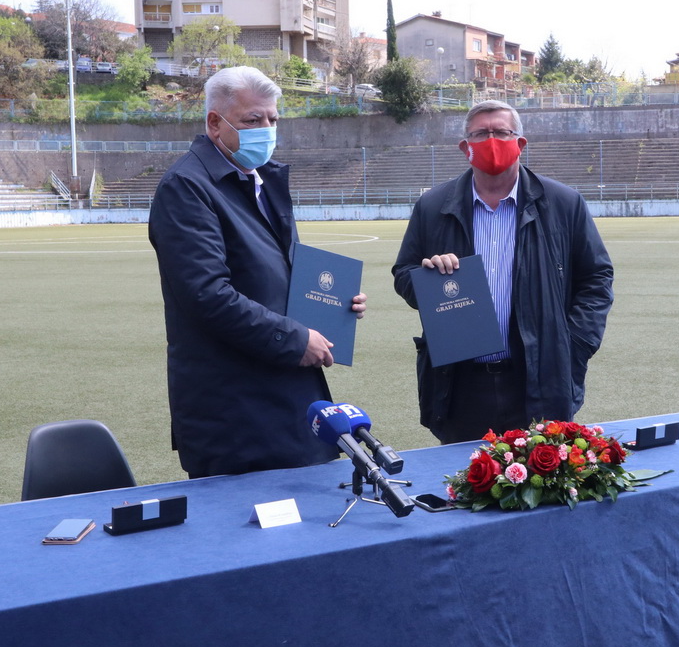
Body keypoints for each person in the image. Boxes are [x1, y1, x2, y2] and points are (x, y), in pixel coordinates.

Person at [149, 66, 366, 477]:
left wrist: (334, 305)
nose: (266, 130)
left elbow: (279, 275)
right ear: (215, 123)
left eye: (272, 119)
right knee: (253, 515)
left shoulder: (263, 180)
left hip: (292, 398)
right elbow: (207, 295)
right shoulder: (186, 186)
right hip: (236, 413)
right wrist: (295, 338)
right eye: (253, 120)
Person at [392, 100, 614, 444]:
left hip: (538, 377)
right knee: (464, 474)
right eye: (480, 134)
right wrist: (428, 276)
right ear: (465, 147)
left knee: (541, 473)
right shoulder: (433, 206)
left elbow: (596, 278)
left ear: (520, 143)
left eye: (502, 132)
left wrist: (573, 346)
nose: (491, 141)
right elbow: (403, 272)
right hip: (460, 382)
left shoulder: (563, 203)